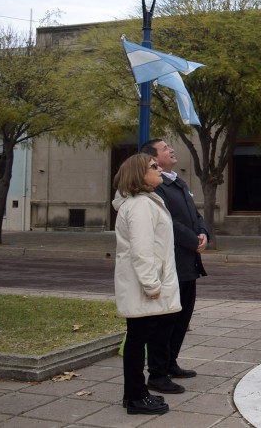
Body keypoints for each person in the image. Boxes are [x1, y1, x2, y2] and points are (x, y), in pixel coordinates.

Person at [112, 153, 181, 415]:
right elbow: (142, 251)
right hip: (143, 285)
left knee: (137, 339)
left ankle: (134, 394)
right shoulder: (140, 205)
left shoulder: (144, 202)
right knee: (137, 340)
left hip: (141, 283)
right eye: (154, 166)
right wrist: (152, 285)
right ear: (140, 174)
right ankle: (136, 397)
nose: (159, 168)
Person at [140, 139, 209, 394]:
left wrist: (203, 232)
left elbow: (195, 214)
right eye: (165, 147)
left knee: (182, 317)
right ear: (154, 159)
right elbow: (168, 222)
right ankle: (157, 373)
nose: (171, 149)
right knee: (166, 321)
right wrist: (193, 241)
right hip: (172, 263)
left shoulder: (177, 181)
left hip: (188, 263)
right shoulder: (156, 187)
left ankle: (170, 363)